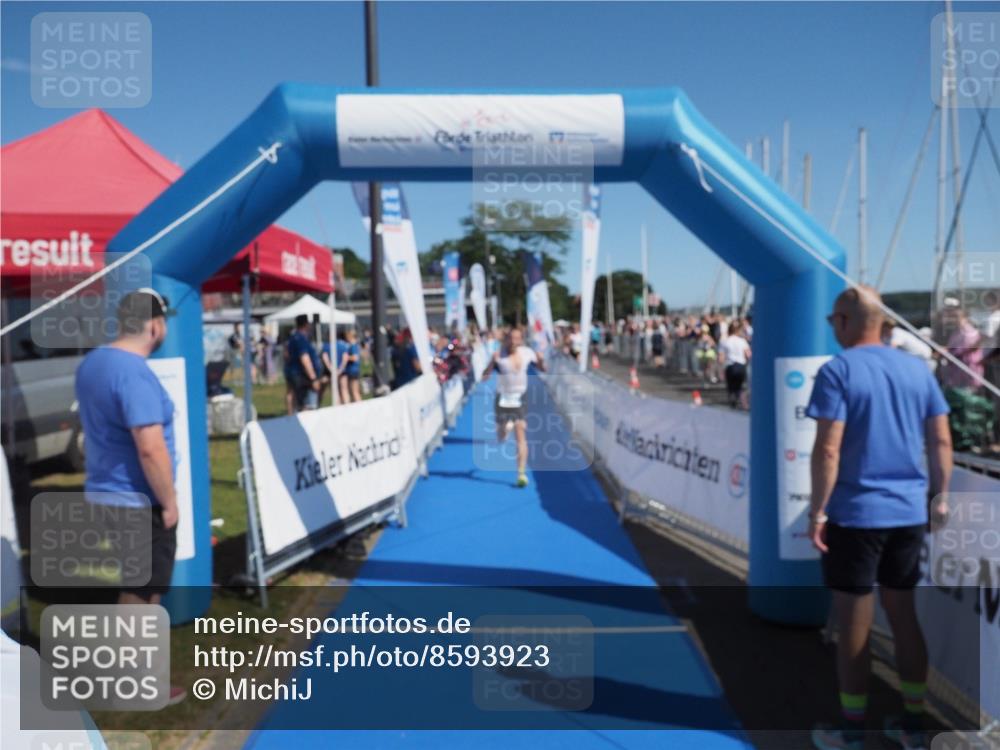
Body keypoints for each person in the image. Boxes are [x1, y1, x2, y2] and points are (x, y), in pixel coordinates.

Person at [807, 286, 952, 750]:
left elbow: (828, 449)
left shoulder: (838, 371)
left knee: (854, 621)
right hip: (909, 512)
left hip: (856, 514)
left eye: (833, 321)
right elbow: (941, 443)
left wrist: (817, 510)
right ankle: (913, 723)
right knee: (903, 614)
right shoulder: (917, 370)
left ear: (847, 321)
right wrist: (939, 496)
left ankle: (852, 729)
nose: (833, 329)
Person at [74, 288, 185, 703]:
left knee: (135, 585)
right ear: (155, 326)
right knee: (143, 592)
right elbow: (149, 446)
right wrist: (169, 502)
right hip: (138, 498)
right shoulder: (133, 372)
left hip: (106, 491)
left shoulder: (93, 363)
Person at [481, 327, 545, 488]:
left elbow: (543, 369)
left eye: (517, 339)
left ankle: (521, 474)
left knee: (521, 431)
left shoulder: (527, 352)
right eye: (511, 338)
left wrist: (541, 360)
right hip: (503, 398)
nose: (514, 342)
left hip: (520, 397)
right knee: (501, 437)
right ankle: (505, 427)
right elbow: (484, 377)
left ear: (521, 340)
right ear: (507, 339)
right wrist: (491, 363)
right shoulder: (499, 355)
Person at [285, 314, 322, 411]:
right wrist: (313, 378)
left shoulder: (293, 337)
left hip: (293, 372)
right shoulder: (301, 338)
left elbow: (286, 355)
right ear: (306, 324)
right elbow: (305, 359)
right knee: (307, 404)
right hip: (302, 376)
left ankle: (291, 417)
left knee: (294, 398)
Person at [718, 320, 751, 408]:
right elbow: (748, 354)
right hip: (741, 365)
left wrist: (721, 368)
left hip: (730, 365)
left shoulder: (725, 341)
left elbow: (721, 357)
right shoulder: (742, 341)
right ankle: (739, 400)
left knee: (731, 386)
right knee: (739, 385)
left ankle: (733, 401)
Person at [341, 328, 362, 402]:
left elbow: (355, 358)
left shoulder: (353, 345)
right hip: (353, 370)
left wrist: (346, 357)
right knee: (354, 391)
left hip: (353, 370)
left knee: (354, 391)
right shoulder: (354, 345)